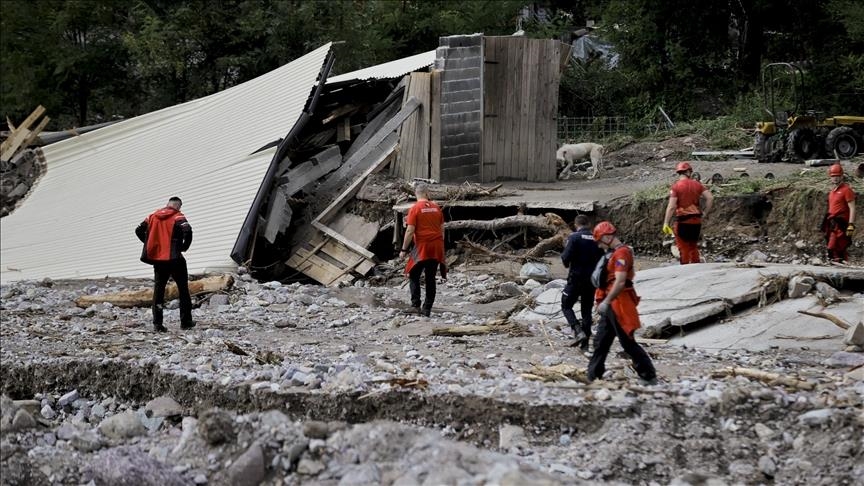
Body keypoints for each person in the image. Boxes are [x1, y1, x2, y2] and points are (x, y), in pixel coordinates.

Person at [588, 221, 656, 384]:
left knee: (627, 342)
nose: (598, 246)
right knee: (601, 340)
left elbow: (619, 281)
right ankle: (593, 375)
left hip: (619, 302)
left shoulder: (621, 254)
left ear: (607, 237)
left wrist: (607, 301)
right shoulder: (614, 253)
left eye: (599, 241)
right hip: (611, 301)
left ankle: (648, 374)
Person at [135, 196, 194, 332]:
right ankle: (186, 322)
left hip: (159, 261)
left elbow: (138, 230)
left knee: (159, 291)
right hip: (175, 259)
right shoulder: (178, 216)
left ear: (167, 204)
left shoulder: (151, 216)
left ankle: (157, 324)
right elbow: (188, 231)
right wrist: (183, 247)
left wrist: (150, 243)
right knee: (183, 289)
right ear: (178, 206)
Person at [399, 183, 446, 317]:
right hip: (436, 245)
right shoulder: (437, 208)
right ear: (427, 193)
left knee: (413, 273)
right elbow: (442, 228)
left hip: (422, 246)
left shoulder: (415, 208)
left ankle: (415, 305)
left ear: (416, 194)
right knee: (430, 277)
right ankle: (427, 308)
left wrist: (403, 249)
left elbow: (410, 230)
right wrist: (440, 245)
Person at [560, 215, 603, 351]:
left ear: (575, 225)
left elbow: (565, 259)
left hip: (576, 278)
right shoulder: (597, 238)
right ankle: (584, 345)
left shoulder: (574, 237)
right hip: (591, 280)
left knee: (566, 305)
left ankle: (578, 331)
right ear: (589, 224)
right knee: (586, 310)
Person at [662, 161, 714, 264]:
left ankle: (685, 271)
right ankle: (696, 269)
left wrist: (666, 222)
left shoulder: (676, 187)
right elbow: (710, 198)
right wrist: (704, 213)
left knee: (683, 248)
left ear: (679, 173)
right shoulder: (697, 184)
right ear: (688, 172)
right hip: (696, 221)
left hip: (683, 222)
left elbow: (672, 206)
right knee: (693, 246)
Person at [822, 163, 856, 262]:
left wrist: (851, 225)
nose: (835, 178)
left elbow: (852, 208)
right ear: (830, 177)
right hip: (832, 223)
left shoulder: (847, 190)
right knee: (834, 246)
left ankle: (839, 264)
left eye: (837, 176)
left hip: (841, 223)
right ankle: (839, 264)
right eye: (833, 176)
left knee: (837, 245)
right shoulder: (832, 192)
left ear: (842, 176)